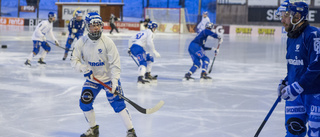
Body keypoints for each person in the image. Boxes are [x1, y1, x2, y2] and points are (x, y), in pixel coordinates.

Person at [71, 12, 137, 137]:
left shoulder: (108, 42)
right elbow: (74, 61)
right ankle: (93, 129)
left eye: (98, 25)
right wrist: (84, 68)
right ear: (87, 26)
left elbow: (115, 64)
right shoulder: (81, 42)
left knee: (118, 104)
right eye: (93, 25)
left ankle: (131, 131)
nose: (96, 28)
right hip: (92, 80)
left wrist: (115, 82)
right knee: (84, 102)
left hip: (108, 79)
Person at [276, 1, 320, 137]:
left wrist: (297, 86)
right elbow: (295, 65)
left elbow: (316, 65)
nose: (282, 20)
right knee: (293, 131)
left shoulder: (313, 35)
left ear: (297, 16)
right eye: (281, 16)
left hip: (315, 95)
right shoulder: (291, 37)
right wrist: (286, 81)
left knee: (316, 133)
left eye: (285, 16)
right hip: (295, 95)